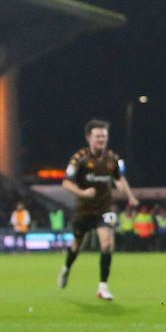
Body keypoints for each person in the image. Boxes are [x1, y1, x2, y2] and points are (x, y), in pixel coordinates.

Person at [58, 119, 138, 300]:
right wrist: (83, 192)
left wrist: (130, 196)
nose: (101, 139)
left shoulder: (113, 159)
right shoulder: (80, 159)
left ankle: (102, 287)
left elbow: (119, 179)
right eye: (97, 136)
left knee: (107, 242)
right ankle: (66, 268)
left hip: (105, 207)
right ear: (88, 138)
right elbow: (66, 182)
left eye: (104, 136)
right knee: (77, 245)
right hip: (84, 210)